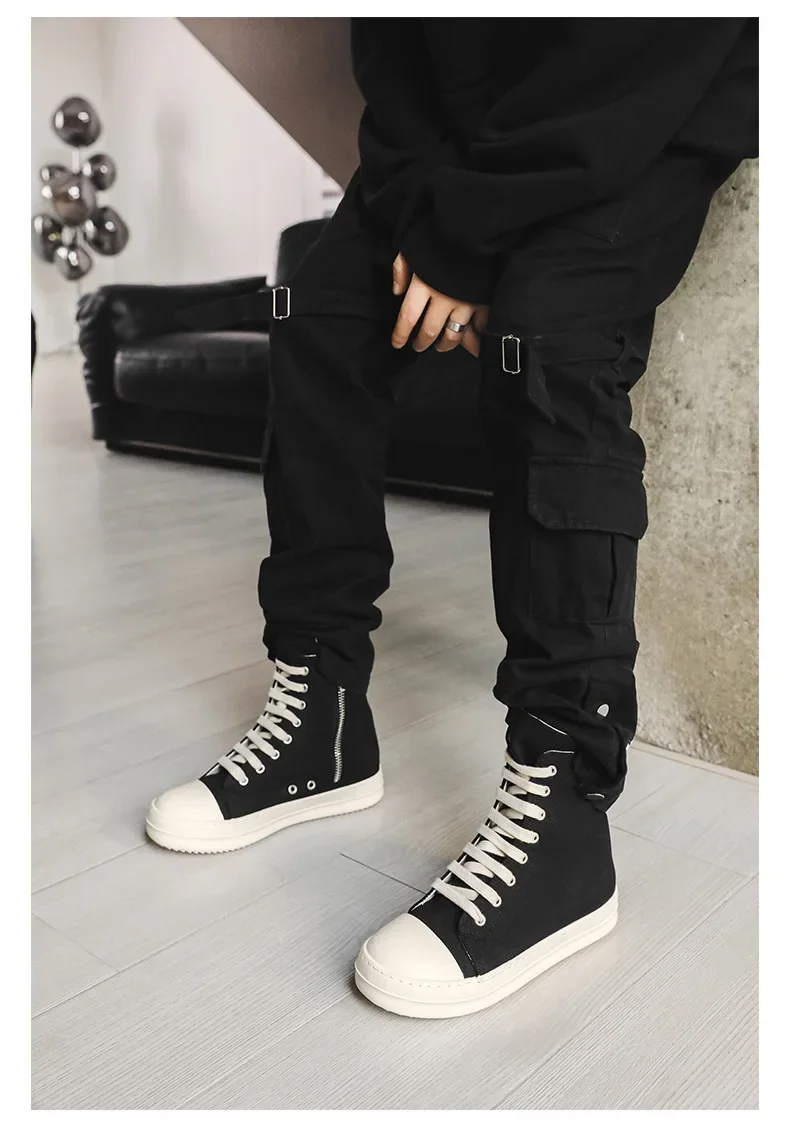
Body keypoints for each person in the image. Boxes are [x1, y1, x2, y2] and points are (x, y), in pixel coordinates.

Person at [145, 18, 758, 1018]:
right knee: (318, 310)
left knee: (548, 333)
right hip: (460, 138)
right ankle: (320, 720)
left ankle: (564, 807)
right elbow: (394, 44)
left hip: (643, 109)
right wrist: (427, 204)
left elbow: (647, 39)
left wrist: (469, 236)